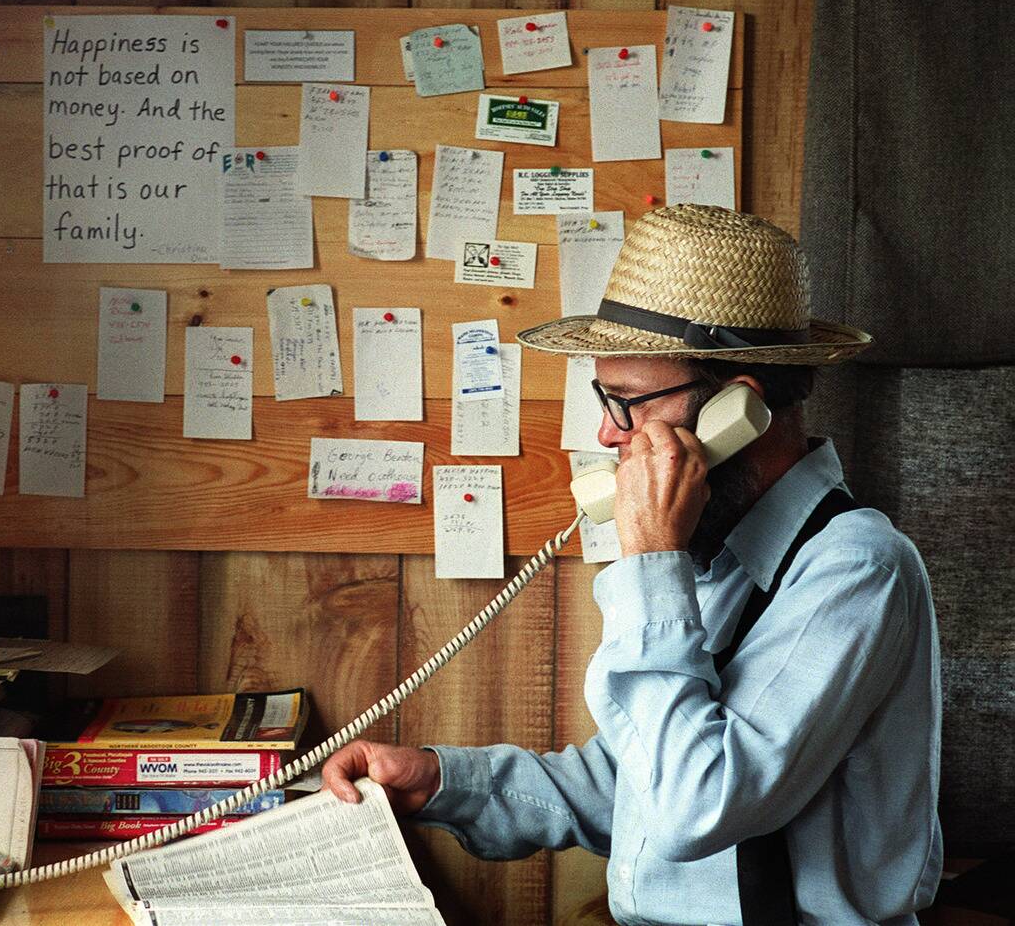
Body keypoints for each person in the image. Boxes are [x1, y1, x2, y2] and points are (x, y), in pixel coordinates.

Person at [322, 205, 942, 925]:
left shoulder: (858, 570)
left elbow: (695, 805)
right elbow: (640, 776)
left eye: (627, 403)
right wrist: (444, 783)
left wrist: (651, 560)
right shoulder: (720, 552)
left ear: (737, 408)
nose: (606, 432)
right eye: (604, 398)